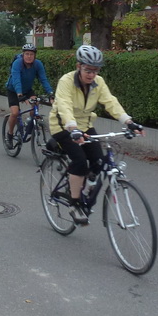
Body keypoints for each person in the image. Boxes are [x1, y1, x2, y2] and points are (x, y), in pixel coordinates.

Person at [49, 45, 143, 225]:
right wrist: (72, 128)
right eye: (88, 70)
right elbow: (64, 106)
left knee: (99, 162)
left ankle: (86, 186)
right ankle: (75, 204)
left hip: (85, 125)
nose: (92, 74)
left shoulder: (98, 83)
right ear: (79, 66)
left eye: (95, 70)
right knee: (79, 161)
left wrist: (129, 122)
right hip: (63, 126)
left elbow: (111, 102)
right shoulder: (66, 81)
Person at [5, 43, 53, 148]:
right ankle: (10, 135)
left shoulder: (38, 64)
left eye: (31, 54)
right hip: (13, 90)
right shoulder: (17, 63)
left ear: (35, 55)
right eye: (27, 54)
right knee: (15, 112)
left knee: (35, 104)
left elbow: (43, 79)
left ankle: (31, 125)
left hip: (27, 90)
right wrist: (19, 94)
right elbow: (16, 79)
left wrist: (50, 93)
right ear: (23, 54)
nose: (29, 56)